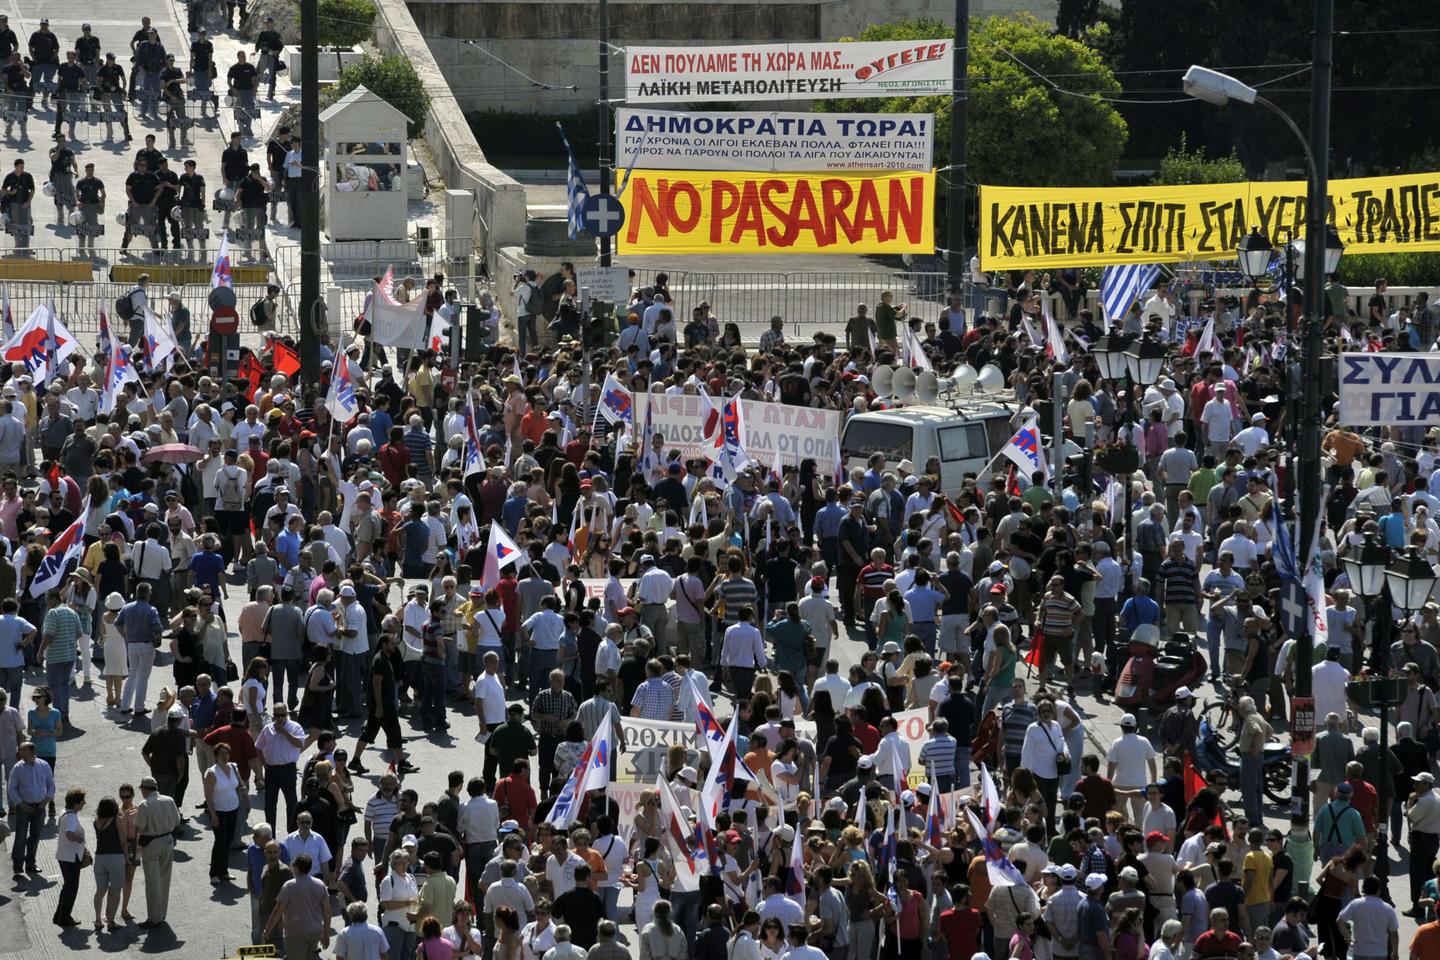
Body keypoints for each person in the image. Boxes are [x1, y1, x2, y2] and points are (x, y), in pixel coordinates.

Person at [133, 774, 181, 928]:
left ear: (145, 789)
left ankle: (154, 918)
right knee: (164, 879)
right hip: (168, 840)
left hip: (151, 844)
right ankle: (161, 914)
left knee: (152, 881)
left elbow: (139, 827)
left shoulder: (144, 804)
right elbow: (177, 821)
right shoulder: (169, 800)